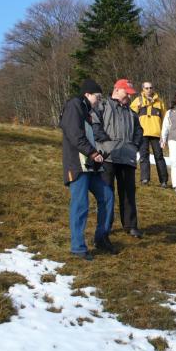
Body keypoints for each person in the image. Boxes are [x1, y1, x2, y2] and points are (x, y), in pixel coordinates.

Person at [59, 78, 114, 260]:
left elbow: (88, 136)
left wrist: (100, 151)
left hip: (91, 167)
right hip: (77, 166)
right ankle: (78, 248)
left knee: (107, 196)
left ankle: (101, 238)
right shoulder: (74, 105)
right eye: (97, 97)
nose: (99, 100)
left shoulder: (88, 111)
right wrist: (92, 152)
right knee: (80, 205)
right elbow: (74, 134)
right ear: (87, 94)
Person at [92, 79, 144, 239]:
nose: (129, 96)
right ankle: (105, 226)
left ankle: (131, 225)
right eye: (126, 93)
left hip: (127, 157)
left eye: (130, 94)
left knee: (128, 193)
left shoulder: (132, 113)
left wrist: (134, 145)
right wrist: (106, 142)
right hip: (107, 157)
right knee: (106, 194)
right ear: (116, 90)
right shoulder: (102, 106)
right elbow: (94, 124)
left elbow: (139, 131)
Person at [130, 81, 169, 187]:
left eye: (151, 88)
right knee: (144, 156)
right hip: (142, 133)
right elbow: (130, 116)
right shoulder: (137, 101)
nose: (149, 90)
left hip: (157, 134)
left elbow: (165, 119)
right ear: (143, 89)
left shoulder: (160, 102)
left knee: (159, 157)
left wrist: (164, 135)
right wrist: (137, 108)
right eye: (146, 88)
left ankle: (164, 181)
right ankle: (145, 179)